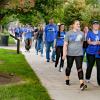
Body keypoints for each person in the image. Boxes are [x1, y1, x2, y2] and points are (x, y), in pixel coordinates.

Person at [63, 20, 87, 91]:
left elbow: (82, 43)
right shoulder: (68, 33)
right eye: (77, 24)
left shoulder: (82, 33)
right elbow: (65, 44)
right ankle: (67, 79)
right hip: (70, 53)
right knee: (69, 67)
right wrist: (64, 53)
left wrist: (80, 49)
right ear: (73, 25)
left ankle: (81, 84)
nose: (78, 25)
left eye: (79, 24)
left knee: (79, 68)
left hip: (79, 53)